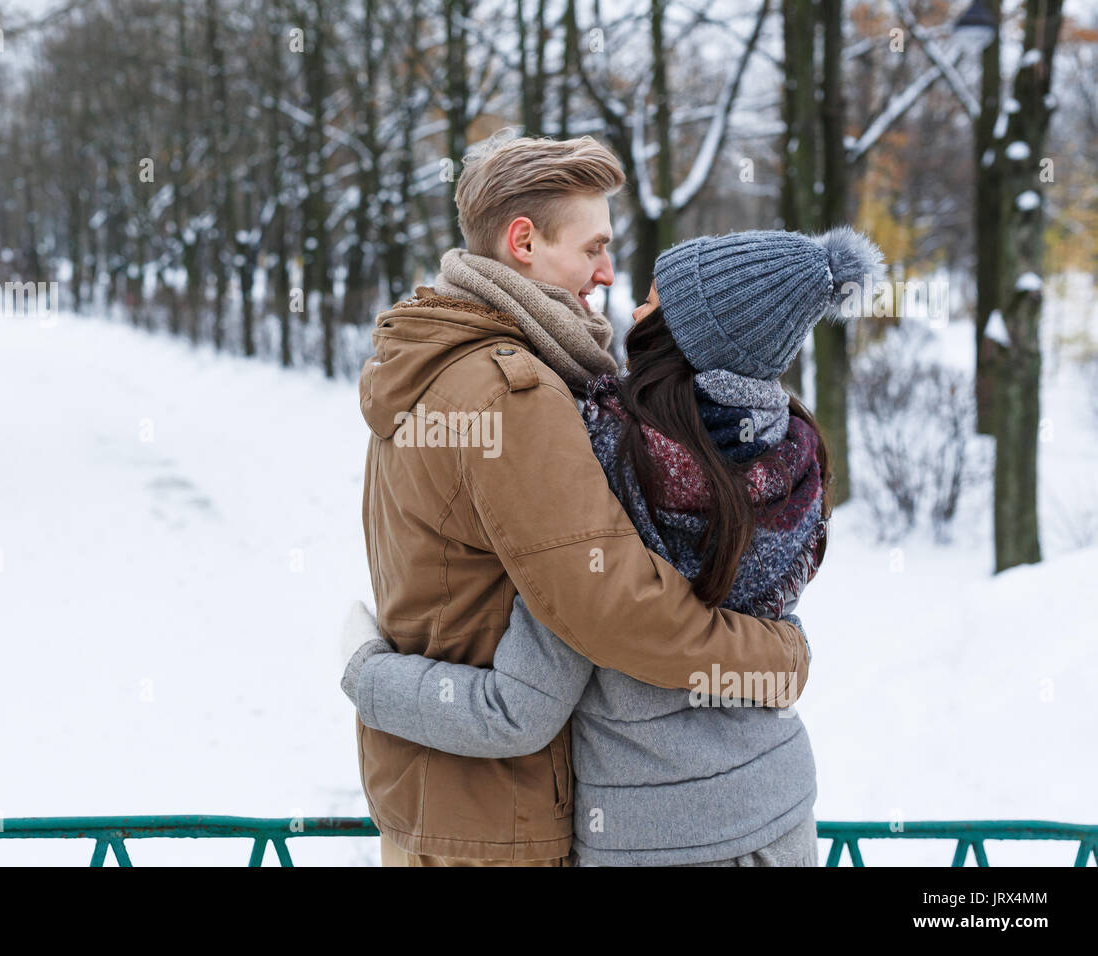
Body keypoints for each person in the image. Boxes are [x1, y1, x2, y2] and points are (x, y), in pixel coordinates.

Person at [343, 226, 884, 866]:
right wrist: (786, 657)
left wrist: (366, 673)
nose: (632, 310)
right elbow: (759, 640)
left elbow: (515, 711)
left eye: (653, 304)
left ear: (686, 336)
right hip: (784, 815)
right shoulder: (792, 458)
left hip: (657, 840)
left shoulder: (608, 465)